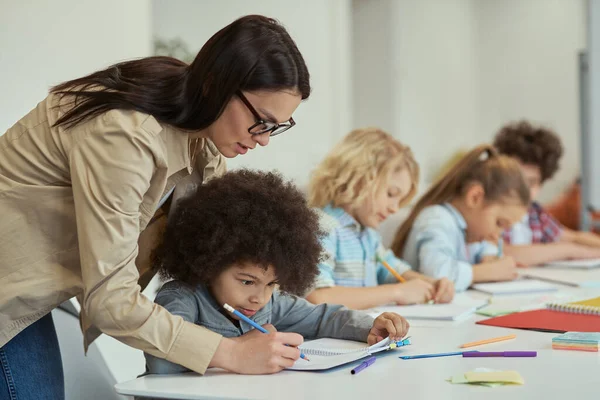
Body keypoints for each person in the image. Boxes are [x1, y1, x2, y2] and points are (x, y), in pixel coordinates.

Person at [0, 15, 310, 399]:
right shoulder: (125, 135)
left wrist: (328, 316)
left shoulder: (204, 141)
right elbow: (111, 299)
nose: (264, 141)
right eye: (261, 122)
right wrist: (231, 352)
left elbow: (220, 261)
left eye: (276, 126)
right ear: (217, 84)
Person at [145, 169, 410, 375]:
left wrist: (370, 327)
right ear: (209, 264)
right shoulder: (180, 298)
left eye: (272, 284)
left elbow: (322, 318)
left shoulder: (269, 304)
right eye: (247, 281)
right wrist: (235, 352)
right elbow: (160, 363)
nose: (259, 297)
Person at [305, 128, 455, 310]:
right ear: (359, 178)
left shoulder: (368, 234)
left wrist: (431, 284)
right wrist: (397, 292)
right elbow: (317, 297)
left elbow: (392, 269)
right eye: (391, 194)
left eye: (400, 200)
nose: (394, 208)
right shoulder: (323, 227)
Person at [392, 145, 529, 292]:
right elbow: (436, 274)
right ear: (475, 197)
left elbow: (487, 252)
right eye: (499, 223)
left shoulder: (473, 231)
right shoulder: (437, 219)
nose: (497, 234)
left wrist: (490, 257)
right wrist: (488, 271)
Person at [494, 120, 600, 266]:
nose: (522, 190)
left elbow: (574, 238)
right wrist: (569, 251)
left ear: (541, 184)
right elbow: (503, 252)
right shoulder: (491, 213)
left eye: (531, 183)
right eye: (515, 179)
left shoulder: (535, 214)